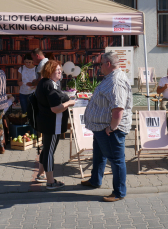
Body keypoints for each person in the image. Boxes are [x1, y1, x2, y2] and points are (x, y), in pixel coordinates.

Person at [82, 52, 133, 202]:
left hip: (111, 130)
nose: (99, 67)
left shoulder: (116, 81)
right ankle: (95, 180)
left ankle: (119, 192)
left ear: (108, 64)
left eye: (101, 64)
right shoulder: (110, 78)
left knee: (116, 160)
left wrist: (111, 128)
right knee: (99, 156)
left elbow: (118, 109)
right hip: (101, 127)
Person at [35, 60, 75, 190]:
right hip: (52, 124)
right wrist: (69, 103)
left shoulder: (46, 83)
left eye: (60, 69)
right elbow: (55, 108)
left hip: (47, 122)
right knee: (49, 151)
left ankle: (41, 175)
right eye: (57, 70)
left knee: (46, 149)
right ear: (49, 71)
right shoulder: (49, 86)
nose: (60, 72)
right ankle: (51, 182)